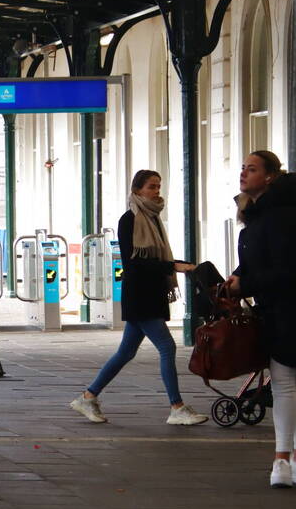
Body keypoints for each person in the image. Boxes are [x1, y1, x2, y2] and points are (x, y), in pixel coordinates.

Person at [224, 151, 296, 488]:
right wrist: (239, 277)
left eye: (252, 168)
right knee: (295, 381)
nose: (244, 173)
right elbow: (264, 260)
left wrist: (247, 283)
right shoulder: (267, 214)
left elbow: (286, 269)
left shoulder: (280, 216)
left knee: (285, 380)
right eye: (243, 167)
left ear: (270, 176)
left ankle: (281, 461)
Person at [69, 170, 208, 426]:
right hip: (140, 295)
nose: (157, 191)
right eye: (151, 187)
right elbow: (134, 264)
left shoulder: (153, 219)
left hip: (151, 294)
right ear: (137, 190)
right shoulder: (130, 220)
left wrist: (174, 264)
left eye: (158, 186)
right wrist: (172, 267)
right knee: (167, 347)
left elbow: (155, 259)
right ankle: (176, 407)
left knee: (126, 352)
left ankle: (87, 397)